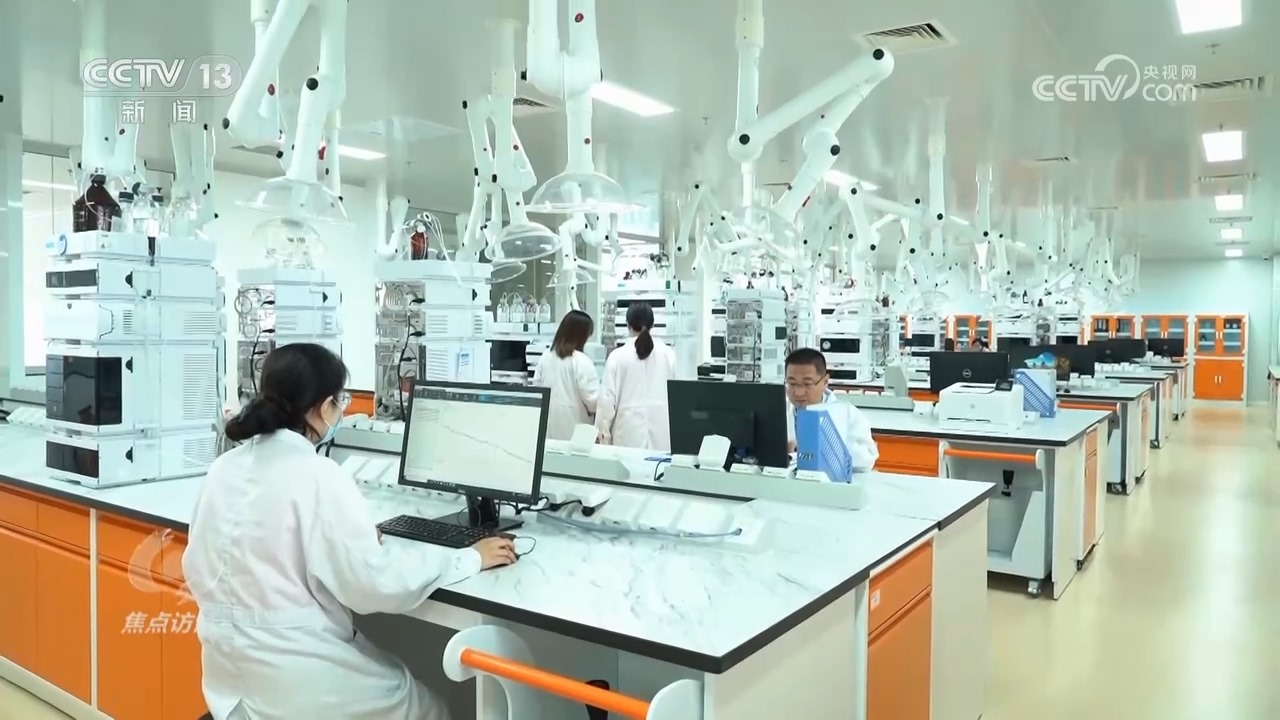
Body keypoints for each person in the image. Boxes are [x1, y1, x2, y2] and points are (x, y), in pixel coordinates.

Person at [184, 343, 515, 720]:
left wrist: (348, 539)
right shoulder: (318, 475)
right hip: (296, 680)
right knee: (428, 708)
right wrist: (466, 559)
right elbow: (374, 585)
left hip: (228, 680)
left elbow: (216, 558)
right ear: (325, 405)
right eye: (339, 401)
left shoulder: (224, 468)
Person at [596, 301, 677, 450]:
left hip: (627, 437)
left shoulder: (617, 357)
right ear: (652, 324)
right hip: (662, 437)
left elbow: (606, 402)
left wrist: (602, 438)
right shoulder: (669, 355)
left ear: (628, 324)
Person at [783, 347, 879, 472]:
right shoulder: (780, 410)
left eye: (807, 384)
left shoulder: (848, 414)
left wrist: (823, 446)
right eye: (792, 383)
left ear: (825, 381)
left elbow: (867, 460)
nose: (798, 392)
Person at [532, 309, 601, 440]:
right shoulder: (581, 360)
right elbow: (592, 401)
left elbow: (537, 389)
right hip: (576, 432)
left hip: (549, 431)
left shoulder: (546, 356)